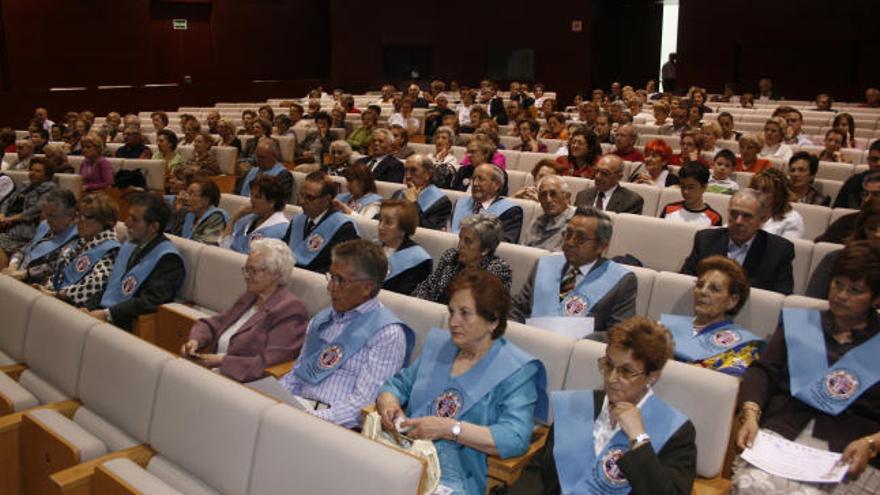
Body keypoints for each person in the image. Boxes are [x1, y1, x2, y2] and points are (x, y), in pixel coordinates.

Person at [378, 269, 547, 495]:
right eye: (451, 311)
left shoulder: (517, 370)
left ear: (493, 321)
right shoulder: (439, 346)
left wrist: (450, 429)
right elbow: (397, 385)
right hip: (406, 457)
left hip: (458, 479)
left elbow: (515, 437)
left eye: (465, 313)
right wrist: (389, 404)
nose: (453, 322)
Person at [733, 241, 880, 494]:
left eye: (855, 290)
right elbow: (763, 371)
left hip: (852, 444)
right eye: (838, 284)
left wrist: (872, 442)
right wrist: (750, 414)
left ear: (876, 298)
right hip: (785, 427)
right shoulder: (802, 323)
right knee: (752, 486)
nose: (842, 295)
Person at [509, 317, 698, 495]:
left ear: (652, 376)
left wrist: (638, 439)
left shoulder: (676, 433)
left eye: (626, 371)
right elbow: (540, 471)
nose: (612, 378)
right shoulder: (578, 407)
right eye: (608, 364)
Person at [281, 240, 415, 428]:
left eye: (340, 280)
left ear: (367, 287)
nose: (330, 287)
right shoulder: (322, 319)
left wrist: (307, 418)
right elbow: (298, 373)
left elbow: (362, 406)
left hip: (334, 426)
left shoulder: (387, 333)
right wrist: (275, 398)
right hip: (298, 409)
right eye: (331, 277)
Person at [182, 238, 308, 382]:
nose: (247, 276)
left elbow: (268, 364)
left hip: (244, 384)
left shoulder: (291, 311)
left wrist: (221, 361)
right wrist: (195, 341)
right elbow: (215, 323)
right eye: (247, 269)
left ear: (277, 274)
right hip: (216, 373)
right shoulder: (250, 296)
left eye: (253, 271)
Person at [511, 206, 637, 337]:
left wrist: (576, 343)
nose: (570, 243)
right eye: (568, 234)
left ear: (601, 246)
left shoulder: (621, 281)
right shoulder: (544, 265)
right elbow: (518, 309)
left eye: (580, 238)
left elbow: (620, 334)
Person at [92, 193, 185, 331]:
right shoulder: (131, 245)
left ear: (153, 227)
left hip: (127, 325)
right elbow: (110, 284)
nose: (126, 223)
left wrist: (106, 314)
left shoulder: (168, 259)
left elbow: (150, 302)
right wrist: (90, 308)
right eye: (128, 216)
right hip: (102, 315)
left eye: (134, 219)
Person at [661, 255, 762, 376]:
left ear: (732, 301)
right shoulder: (663, 328)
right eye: (699, 285)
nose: (703, 292)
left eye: (714, 289)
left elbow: (725, 387)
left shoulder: (743, 346)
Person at [681, 189, 795, 294]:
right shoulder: (705, 240)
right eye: (733, 214)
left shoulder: (779, 251)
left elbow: (782, 296)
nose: (738, 221)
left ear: (763, 219)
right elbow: (685, 281)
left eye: (747, 216)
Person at [40, 192, 121, 310]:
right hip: (55, 299)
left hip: (74, 309)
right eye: (79, 215)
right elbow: (60, 270)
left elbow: (95, 285)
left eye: (87, 217)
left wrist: (57, 294)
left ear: (105, 221)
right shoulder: (84, 241)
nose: (79, 221)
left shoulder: (110, 248)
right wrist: (48, 287)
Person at [413, 213, 512, 304]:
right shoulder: (451, 257)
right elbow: (427, 288)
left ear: (485, 249)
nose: (460, 245)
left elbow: (484, 309)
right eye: (460, 238)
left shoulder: (497, 271)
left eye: (468, 241)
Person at [285, 171, 359, 273]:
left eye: (309, 198)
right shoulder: (298, 220)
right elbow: (284, 249)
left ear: (327, 199)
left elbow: (341, 265)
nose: (302, 201)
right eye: (301, 195)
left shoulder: (344, 227)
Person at [807, 200, 880, 299]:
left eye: (855, 290)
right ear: (863, 229)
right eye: (872, 227)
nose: (877, 234)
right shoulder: (835, 259)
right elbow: (809, 303)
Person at [3, 189, 78, 284]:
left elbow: (56, 266)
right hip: (17, 275)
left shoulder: (77, 237)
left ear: (70, 215)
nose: (48, 220)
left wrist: (25, 274)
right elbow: (24, 250)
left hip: (36, 285)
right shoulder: (45, 225)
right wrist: (13, 266)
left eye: (52, 216)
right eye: (47, 215)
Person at [0, 159, 58, 268]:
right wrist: (2, 215)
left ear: (47, 175)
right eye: (31, 170)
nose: (32, 173)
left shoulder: (50, 189)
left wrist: (10, 219)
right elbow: (7, 201)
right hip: (6, 224)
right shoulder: (25, 185)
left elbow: (35, 210)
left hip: (26, 229)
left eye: (37, 171)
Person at [449, 163, 523, 244]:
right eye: (473, 179)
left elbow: (503, 246)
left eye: (481, 179)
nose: (475, 183)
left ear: (496, 185)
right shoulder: (460, 203)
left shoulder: (511, 211)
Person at [376, 200, 432, 295]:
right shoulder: (372, 247)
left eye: (388, 222)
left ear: (404, 228)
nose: (380, 227)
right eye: (380, 220)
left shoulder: (419, 260)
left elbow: (404, 298)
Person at [224, 176, 290, 254]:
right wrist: (234, 218)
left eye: (257, 197)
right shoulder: (248, 218)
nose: (252, 200)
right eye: (251, 195)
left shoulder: (281, 229)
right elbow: (224, 244)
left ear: (272, 202)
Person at [393, 154, 452, 230]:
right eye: (406, 170)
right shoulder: (398, 193)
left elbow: (428, 231)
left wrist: (413, 203)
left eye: (413, 170)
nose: (407, 176)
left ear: (427, 174)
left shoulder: (442, 203)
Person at [521, 176, 576, 252]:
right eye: (543, 195)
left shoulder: (576, 222)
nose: (548, 200)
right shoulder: (536, 222)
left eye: (553, 194)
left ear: (567, 197)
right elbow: (523, 251)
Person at [818, 176, 880, 244]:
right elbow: (822, 244)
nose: (867, 199)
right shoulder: (845, 222)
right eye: (865, 194)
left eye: (877, 194)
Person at [576, 154, 644, 214]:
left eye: (605, 173)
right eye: (596, 171)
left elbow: (625, 227)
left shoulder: (631, 201)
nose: (597, 176)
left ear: (619, 177)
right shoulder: (582, 196)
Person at [660, 162, 722, 227]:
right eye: (683, 186)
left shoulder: (714, 218)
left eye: (691, 187)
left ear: (704, 187)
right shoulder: (669, 209)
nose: (685, 191)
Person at [750, 168, 805, 240]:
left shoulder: (792, 220)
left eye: (765, 190)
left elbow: (785, 249)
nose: (758, 194)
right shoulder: (745, 211)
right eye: (755, 189)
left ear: (778, 194)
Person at [179, 179, 227, 246]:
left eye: (192, 194)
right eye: (187, 193)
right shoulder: (189, 214)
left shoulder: (216, 217)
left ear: (206, 200)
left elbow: (208, 246)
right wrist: (177, 212)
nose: (186, 198)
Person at [835, 140, 880, 209]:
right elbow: (837, 210)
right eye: (874, 159)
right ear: (868, 160)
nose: (878, 164)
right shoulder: (853, 183)